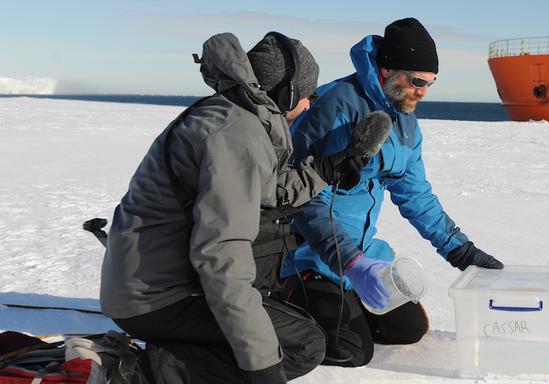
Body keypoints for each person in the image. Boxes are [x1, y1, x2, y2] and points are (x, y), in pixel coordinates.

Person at [100, 32, 390, 383]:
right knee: (303, 345)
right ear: (288, 92)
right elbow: (222, 255)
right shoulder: (235, 134)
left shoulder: (238, 117)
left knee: (288, 327)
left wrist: (329, 168)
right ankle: (142, 374)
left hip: (151, 284)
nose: (312, 104)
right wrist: (262, 366)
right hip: (157, 298)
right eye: (309, 94)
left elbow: (267, 193)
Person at [280, 17, 504, 368]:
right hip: (310, 255)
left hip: (366, 257)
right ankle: (284, 301)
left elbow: (415, 195)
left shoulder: (404, 121)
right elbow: (304, 200)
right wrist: (351, 262)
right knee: (351, 350)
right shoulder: (335, 107)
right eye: (417, 81)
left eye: (430, 83)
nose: (424, 92)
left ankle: (341, 306)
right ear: (387, 69)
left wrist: (461, 252)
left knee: (408, 329)